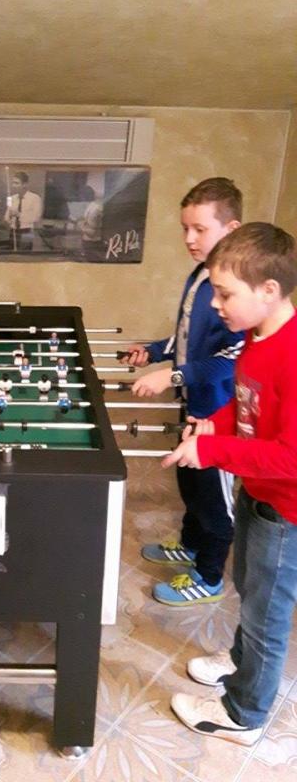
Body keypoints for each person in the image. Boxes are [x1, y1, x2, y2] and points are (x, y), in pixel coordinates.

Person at [163, 222, 297, 746]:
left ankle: (244, 714)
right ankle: (240, 661)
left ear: (269, 290)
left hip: (285, 511)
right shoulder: (256, 338)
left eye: (225, 294)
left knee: (267, 616)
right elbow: (245, 409)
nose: (216, 304)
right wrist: (212, 426)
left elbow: (290, 457)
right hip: (257, 494)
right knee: (248, 587)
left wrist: (212, 450)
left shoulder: (292, 355)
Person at [121, 178, 245, 605]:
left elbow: (232, 357)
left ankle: (209, 577)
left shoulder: (236, 288)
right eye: (185, 229)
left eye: (200, 229)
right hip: (193, 406)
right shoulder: (201, 274)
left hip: (220, 415)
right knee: (190, 484)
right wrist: (155, 351)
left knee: (214, 500)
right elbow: (188, 337)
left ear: (231, 229)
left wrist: (172, 376)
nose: (189, 239)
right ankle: (191, 546)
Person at [4, 171, 43, 252]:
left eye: (16, 183)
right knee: (11, 255)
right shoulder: (10, 198)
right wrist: (9, 217)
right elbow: (6, 217)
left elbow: (36, 218)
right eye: (13, 183)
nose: (13, 186)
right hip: (13, 231)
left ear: (25, 184)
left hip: (27, 231)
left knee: (25, 254)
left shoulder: (35, 198)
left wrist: (19, 214)